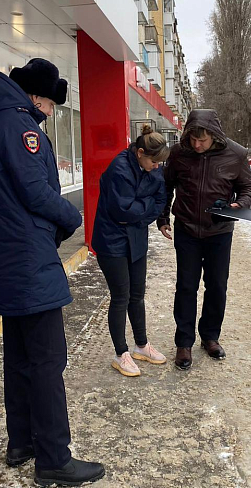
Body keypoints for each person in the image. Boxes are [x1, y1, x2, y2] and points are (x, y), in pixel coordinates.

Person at [0, 58, 105, 487]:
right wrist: (72, 218)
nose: (50, 112)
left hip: (7, 262)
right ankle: (54, 458)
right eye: (50, 104)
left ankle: (23, 441)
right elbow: (36, 190)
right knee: (49, 361)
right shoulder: (20, 126)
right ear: (35, 96)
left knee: (20, 356)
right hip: (30, 262)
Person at [157, 109, 251, 371]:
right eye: (192, 139)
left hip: (220, 231)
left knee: (216, 286)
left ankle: (210, 336)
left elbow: (248, 187)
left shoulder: (235, 154)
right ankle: (184, 342)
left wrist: (241, 203)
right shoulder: (179, 153)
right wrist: (162, 217)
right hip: (188, 229)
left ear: (214, 136)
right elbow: (166, 186)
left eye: (202, 140)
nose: (196, 145)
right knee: (186, 286)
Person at [92, 126, 169, 377]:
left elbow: (160, 200)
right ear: (139, 153)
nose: (157, 167)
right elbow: (122, 211)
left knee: (137, 294)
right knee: (120, 296)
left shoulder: (153, 169)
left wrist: (141, 210)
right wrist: (141, 210)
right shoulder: (119, 169)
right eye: (153, 161)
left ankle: (141, 345)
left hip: (136, 238)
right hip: (111, 241)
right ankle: (120, 353)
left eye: (160, 163)